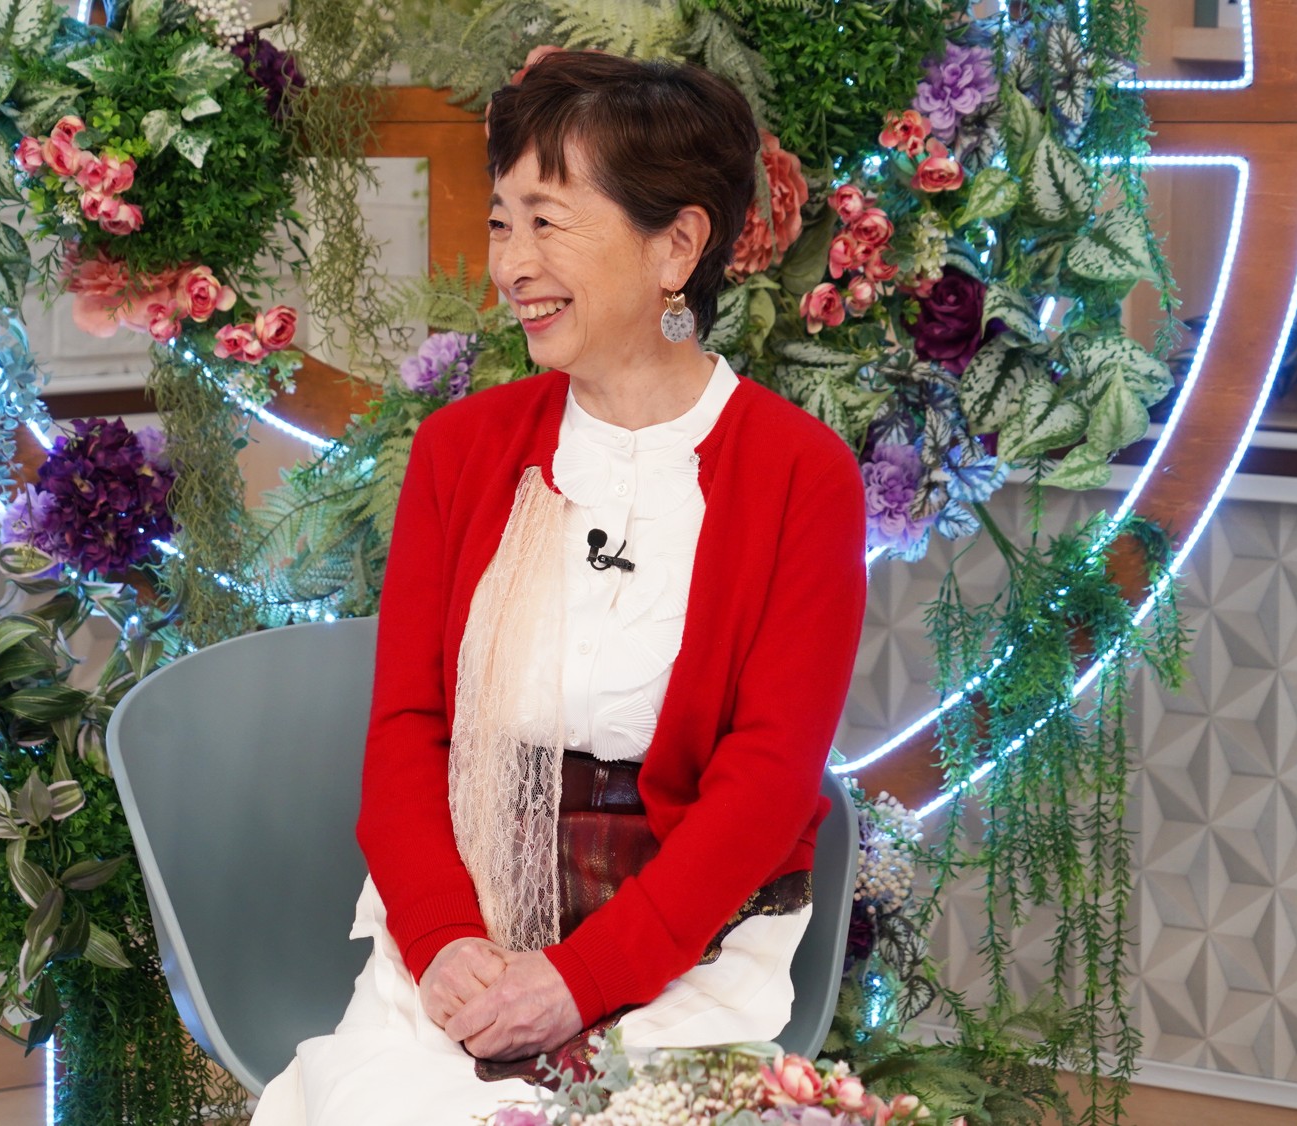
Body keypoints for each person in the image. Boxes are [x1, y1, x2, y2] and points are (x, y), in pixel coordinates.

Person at [250, 50, 868, 1124]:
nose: (511, 265)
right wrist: (444, 942)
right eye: (502, 223)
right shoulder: (459, 451)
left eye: (547, 222)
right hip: (470, 923)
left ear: (676, 245)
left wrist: (580, 980)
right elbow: (406, 731)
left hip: (684, 938)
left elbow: (766, 785)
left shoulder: (799, 475)